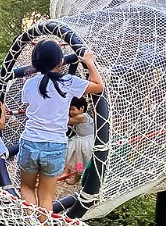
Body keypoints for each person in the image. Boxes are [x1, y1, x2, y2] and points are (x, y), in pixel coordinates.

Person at [18, 41, 104, 211]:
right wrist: (90, 63)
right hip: (55, 145)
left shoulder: (29, 84)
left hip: (30, 142)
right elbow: (99, 86)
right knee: (46, 196)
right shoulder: (68, 82)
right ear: (61, 61)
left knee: (27, 188)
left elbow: (29, 106)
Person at [62, 97, 95, 184]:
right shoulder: (78, 116)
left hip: (87, 142)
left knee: (87, 160)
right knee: (79, 161)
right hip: (80, 140)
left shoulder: (82, 117)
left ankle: (88, 179)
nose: (71, 112)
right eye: (69, 109)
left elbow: (67, 121)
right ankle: (77, 178)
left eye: (73, 109)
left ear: (82, 108)